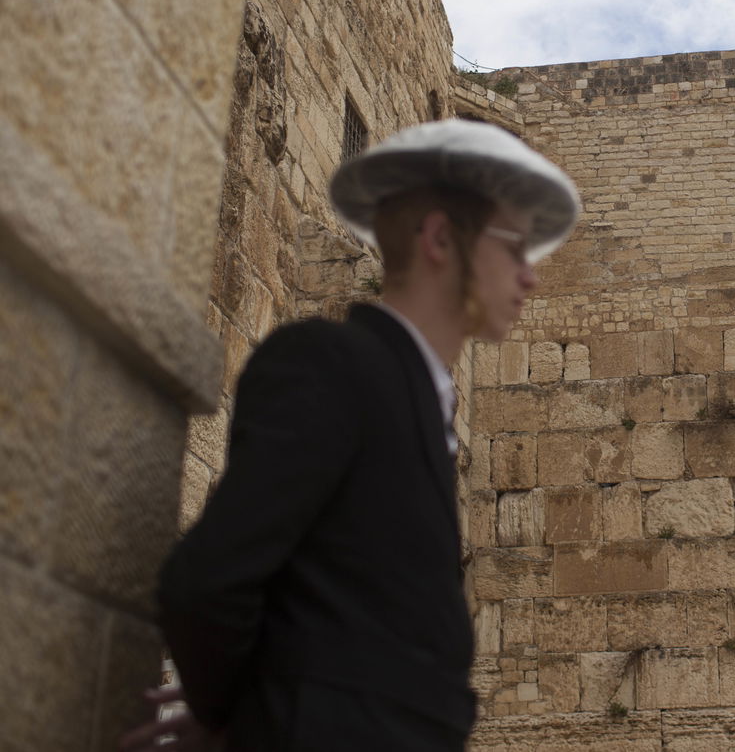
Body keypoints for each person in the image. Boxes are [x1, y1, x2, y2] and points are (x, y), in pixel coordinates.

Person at [119, 119, 580, 752]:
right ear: (440, 238)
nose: (530, 277)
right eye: (514, 248)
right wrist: (235, 717)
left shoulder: (422, 403)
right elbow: (208, 581)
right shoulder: (329, 364)